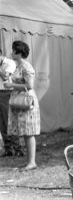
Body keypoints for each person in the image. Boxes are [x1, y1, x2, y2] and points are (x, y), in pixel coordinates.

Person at [4, 41, 40, 170]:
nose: (11, 52)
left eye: (13, 50)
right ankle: (29, 161)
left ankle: (32, 162)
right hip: (20, 101)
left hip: (27, 102)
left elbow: (30, 85)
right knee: (25, 132)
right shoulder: (18, 66)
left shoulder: (26, 67)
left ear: (19, 52)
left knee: (29, 132)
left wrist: (11, 85)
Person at [0, 49, 23, 157]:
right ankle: (8, 148)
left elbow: (5, 76)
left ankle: (17, 148)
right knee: (1, 122)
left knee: (9, 121)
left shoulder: (9, 63)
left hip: (6, 93)